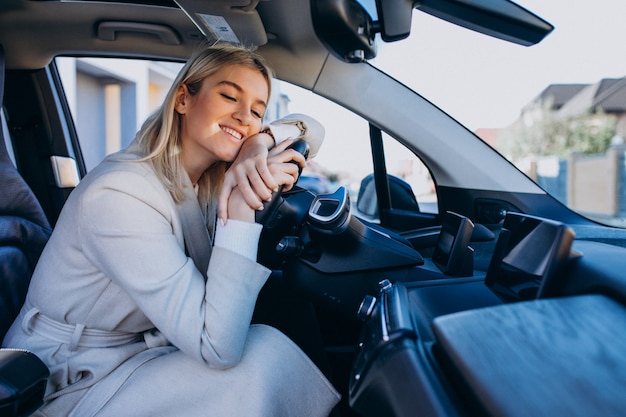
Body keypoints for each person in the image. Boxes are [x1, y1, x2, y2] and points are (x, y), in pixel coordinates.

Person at [2, 44, 340, 416]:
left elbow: (315, 129)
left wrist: (262, 141)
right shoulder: (119, 194)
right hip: (68, 379)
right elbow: (217, 348)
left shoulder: (205, 180)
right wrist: (241, 209)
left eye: (257, 112)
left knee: (284, 299)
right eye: (229, 95)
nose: (245, 116)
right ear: (183, 98)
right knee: (258, 356)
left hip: (136, 348)